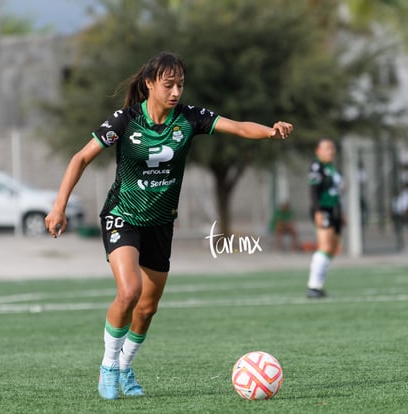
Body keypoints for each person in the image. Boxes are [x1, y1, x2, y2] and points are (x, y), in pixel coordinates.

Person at [44, 51, 293, 400]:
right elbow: (80, 158)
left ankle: (126, 367)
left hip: (160, 224)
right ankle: (108, 367)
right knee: (129, 292)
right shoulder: (125, 120)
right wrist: (59, 207)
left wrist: (270, 132)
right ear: (149, 84)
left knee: (147, 308)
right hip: (123, 215)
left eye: (180, 84)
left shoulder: (189, 119)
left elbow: (236, 127)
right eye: (168, 84)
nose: (176, 92)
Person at [306, 138, 344, 298]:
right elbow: (314, 191)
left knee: (332, 248)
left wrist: (341, 212)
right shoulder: (317, 167)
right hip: (323, 209)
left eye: (332, 148)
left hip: (334, 210)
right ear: (318, 151)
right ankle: (313, 287)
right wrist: (318, 211)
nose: (331, 151)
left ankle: (318, 286)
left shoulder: (332, 168)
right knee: (325, 246)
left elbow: (336, 193)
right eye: (327, 148)